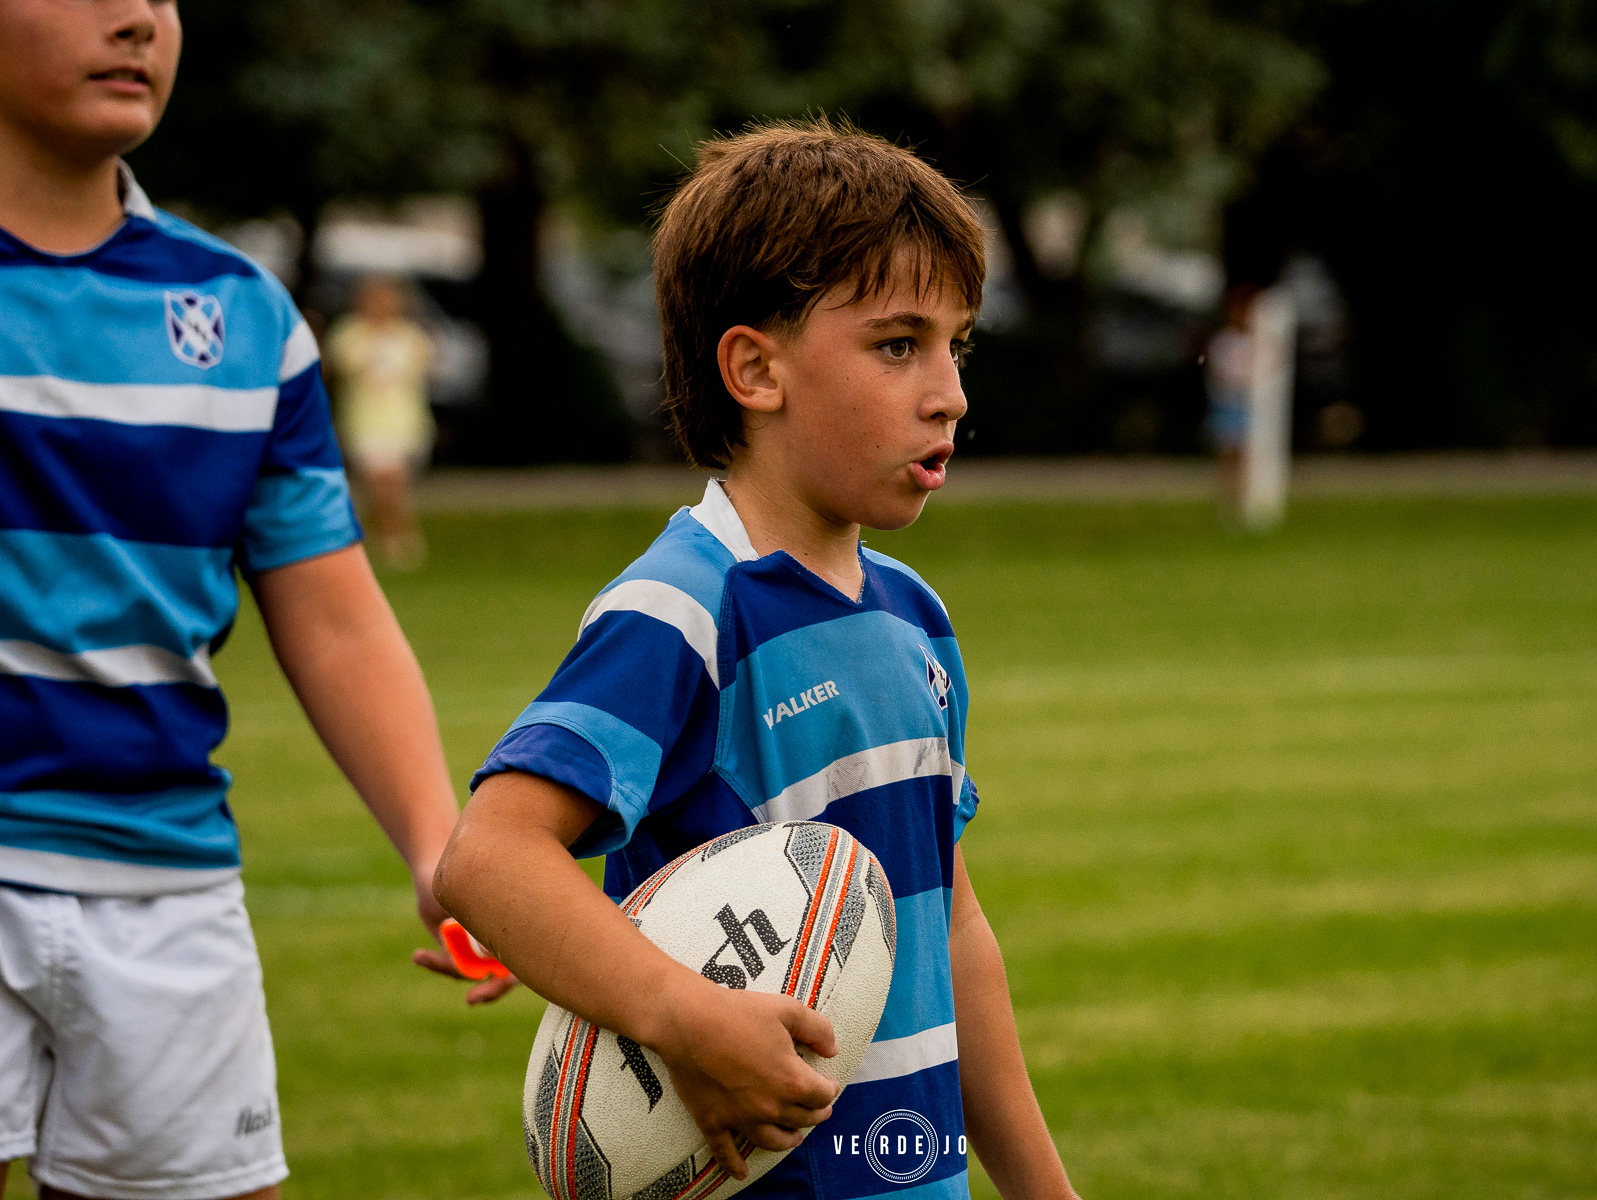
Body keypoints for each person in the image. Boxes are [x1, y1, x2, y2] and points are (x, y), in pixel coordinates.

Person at [433, 119, 1080, 1200]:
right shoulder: (684, 611)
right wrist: (685, 1016)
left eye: (956, 348)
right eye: (896, 344)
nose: (949, 393)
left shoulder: (917, 622)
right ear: (754, 368)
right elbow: (490, 857)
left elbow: (953, 927)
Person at [0, 3, 507, 1198]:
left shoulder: (242, 317)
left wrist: (439, 845)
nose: (137, 19)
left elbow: (332, 616)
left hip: (171, 888)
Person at [325, 275, 436, 568]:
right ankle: (394, 535)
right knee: (378, 480)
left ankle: (391, 533)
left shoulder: (409, 336)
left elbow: (423, 367)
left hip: (402, 420)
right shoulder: (350, 334)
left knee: (395, 481)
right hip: (365, 420)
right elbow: (343, 367)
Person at [1204, 284, 1258, 521]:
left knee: (1246, 457)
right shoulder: (1224, 341)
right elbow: (1222, 374)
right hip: (1229, 403)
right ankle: (1227, 506)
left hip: (1247, 404)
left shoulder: (1255, 340)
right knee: (1228, 456)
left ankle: (1244, 505)